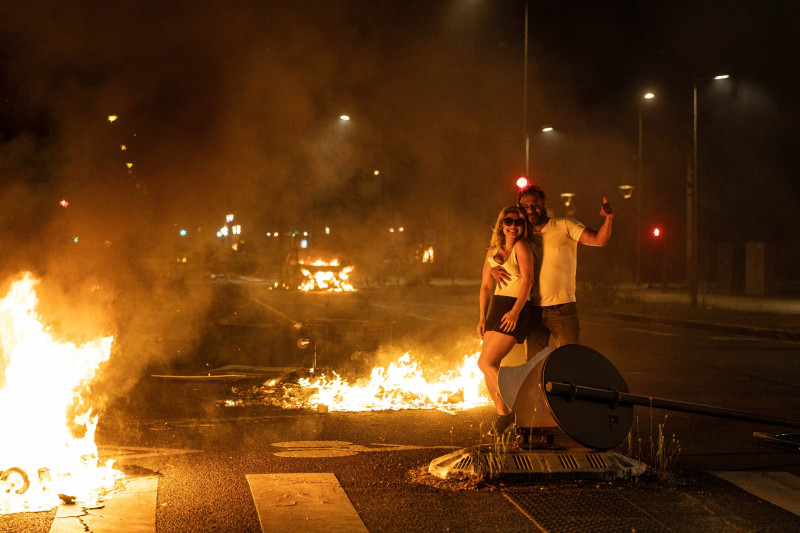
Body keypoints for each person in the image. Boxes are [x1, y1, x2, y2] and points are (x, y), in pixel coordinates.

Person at [492, 184, 613, 359]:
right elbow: (499, 256)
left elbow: (600, 240)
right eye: (525, 207)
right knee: (533, 366)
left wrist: (608, 219)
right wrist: (494, 270)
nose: (530, 210)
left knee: (570, 361)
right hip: (531, 309)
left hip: (562, 309)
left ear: (544, 205)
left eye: (534, 204)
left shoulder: (565, 225)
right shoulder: (521, 236)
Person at [477, 206, 535, 435]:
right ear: (501, 224)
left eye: (518, 222)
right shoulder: (491, 251)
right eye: (508, 221)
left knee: (485, 363)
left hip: (516, 307)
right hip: (496, 307)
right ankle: (503, 416)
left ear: (523, 228)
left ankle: (511, 409)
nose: (513, 226)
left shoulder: (521, 246)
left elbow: (528, 281)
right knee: (488, 364)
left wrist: (515, 312)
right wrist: (482, 317)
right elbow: (485, 287)